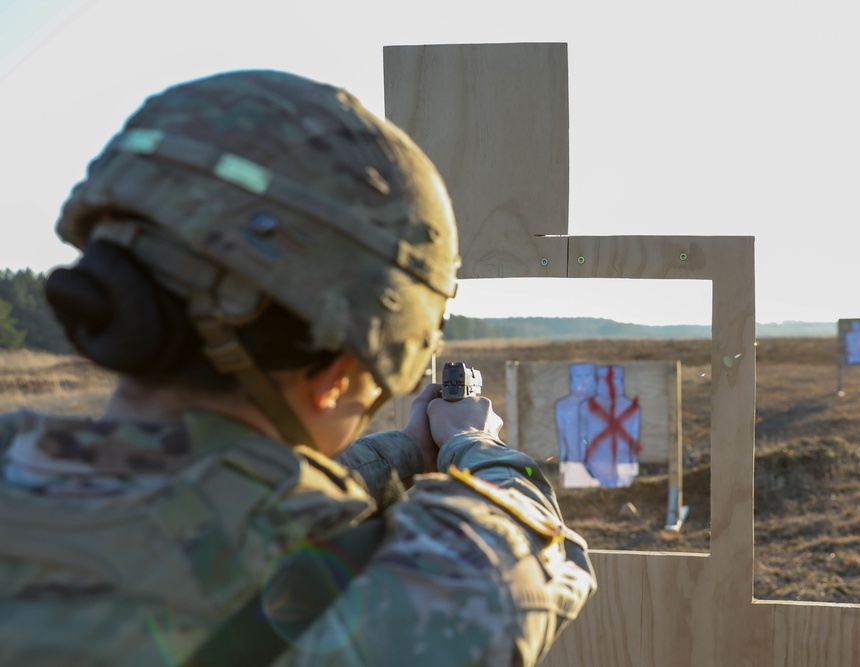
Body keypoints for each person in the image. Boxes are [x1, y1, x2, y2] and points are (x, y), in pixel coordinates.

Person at [0, 70, 595, 666]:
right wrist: (475, 441)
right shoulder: (387, 599)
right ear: (337, 375)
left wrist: (406, 451)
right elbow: (532, 555)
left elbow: (211, 507)